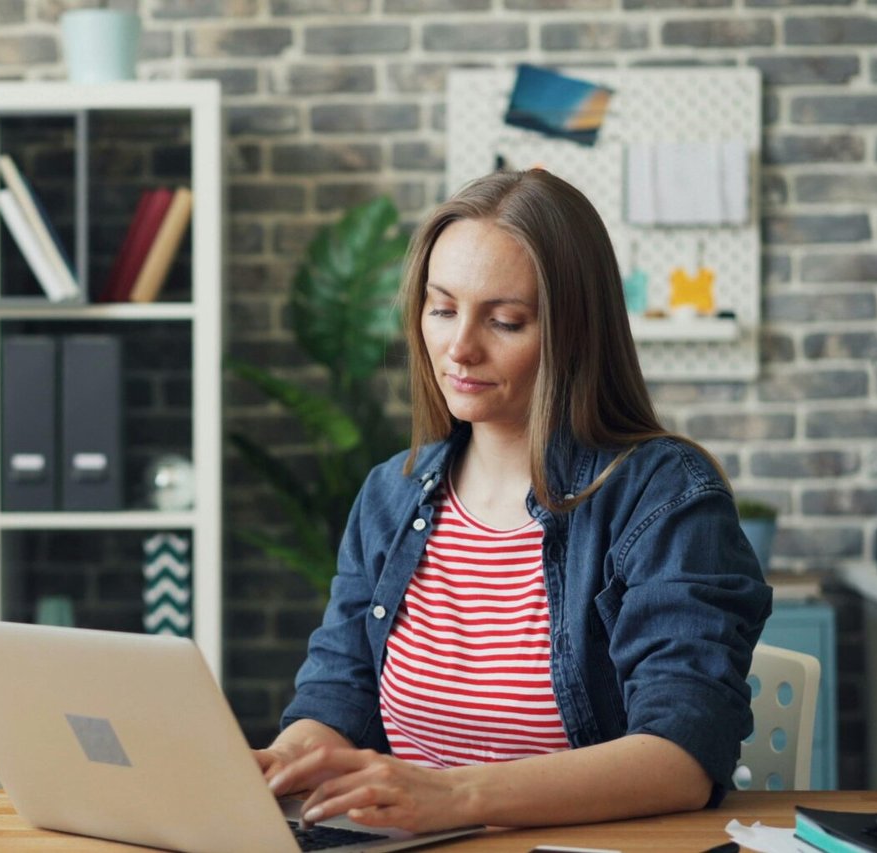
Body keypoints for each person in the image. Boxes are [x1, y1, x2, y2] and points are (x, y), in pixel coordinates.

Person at [253, 170, 772, 834]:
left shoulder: (663, 494)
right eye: (442, 309)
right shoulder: (392, 492)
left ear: (573, 332)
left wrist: (458, 797)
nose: (459, 347)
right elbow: (337, 692)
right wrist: (278, 762)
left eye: (504, 321)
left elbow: (682, 755)